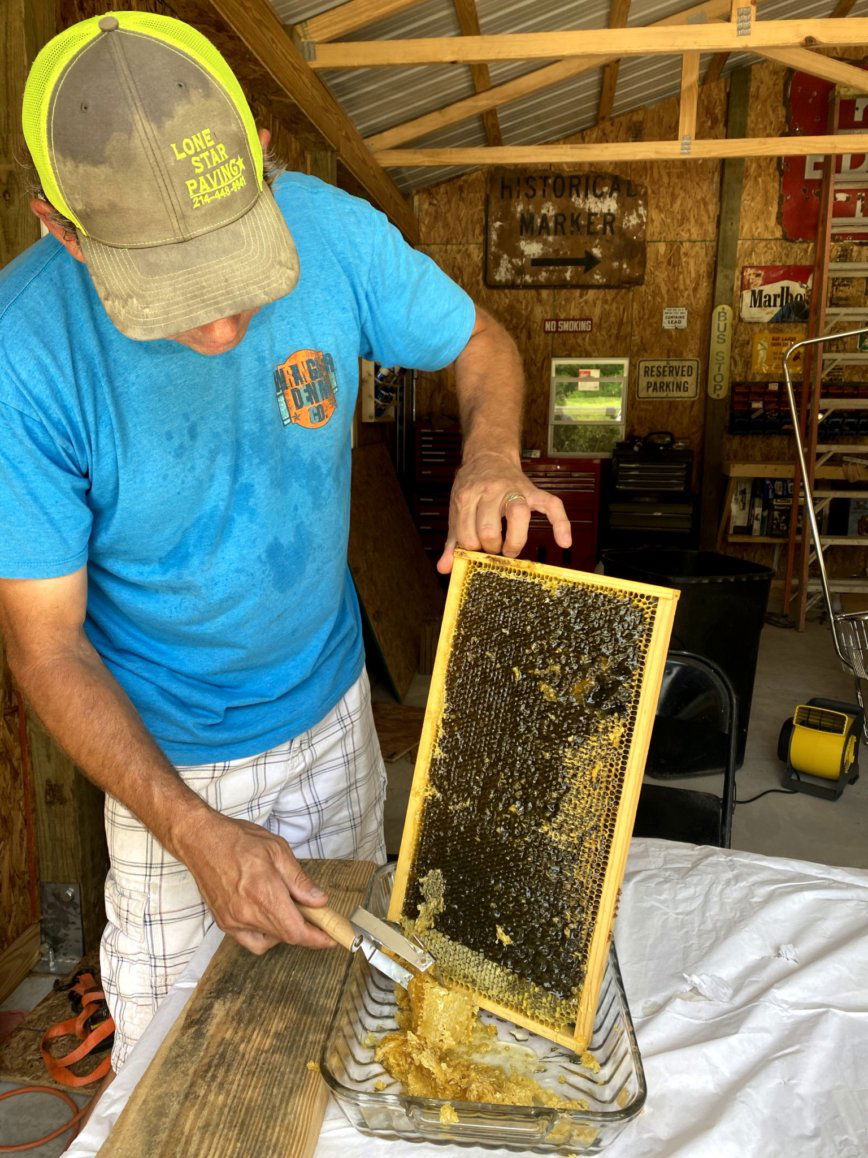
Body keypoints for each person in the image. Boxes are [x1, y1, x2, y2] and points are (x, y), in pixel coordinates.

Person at [0, 11, 571, 1074]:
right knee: (177, 1070)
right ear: (65, 230)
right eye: (170, 300)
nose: (220, 332)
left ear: (260, 165)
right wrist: (193, 831)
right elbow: (47, 645)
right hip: (164, 762)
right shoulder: (21, 355)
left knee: (352, 1033)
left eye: (236, 278)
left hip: (333, 713)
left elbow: (480, 343)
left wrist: (492, 453)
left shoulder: (334, 231)